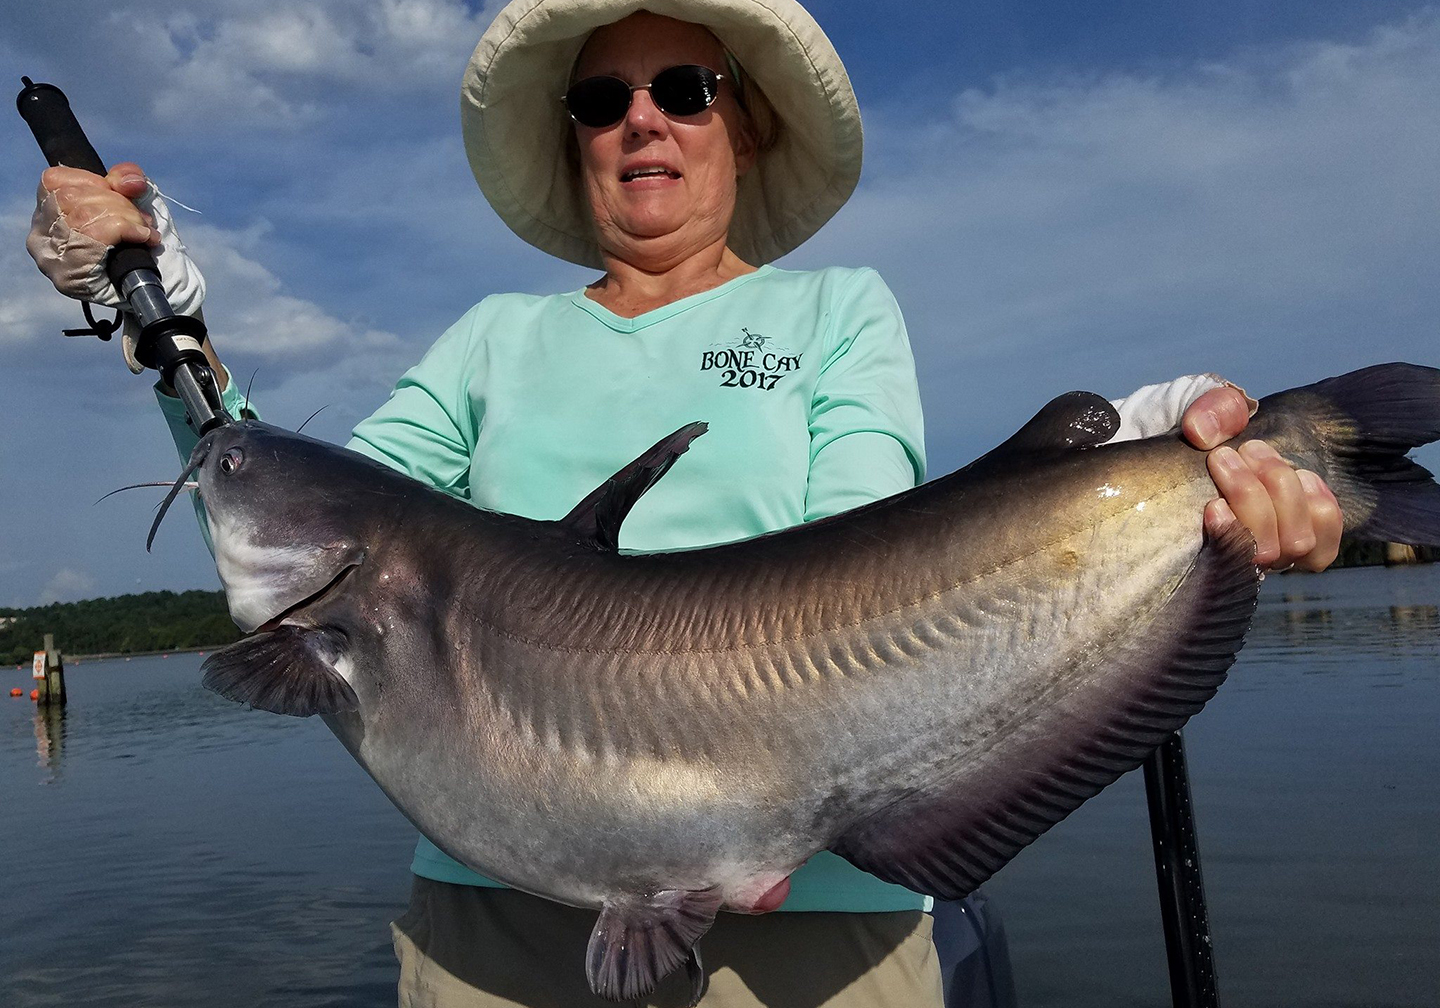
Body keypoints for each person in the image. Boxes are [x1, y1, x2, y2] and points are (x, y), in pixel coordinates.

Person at [26, 1, 1342, 1005]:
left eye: (683, 88)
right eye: (604, 98)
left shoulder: (836, 311)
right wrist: (156, 311)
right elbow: (285, 484)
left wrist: (1143, 467)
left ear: (743, 124)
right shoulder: (491, 339)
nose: (642, 118)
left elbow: (890, 565)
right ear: (576, 138)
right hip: (490, 936)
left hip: (823, 935)